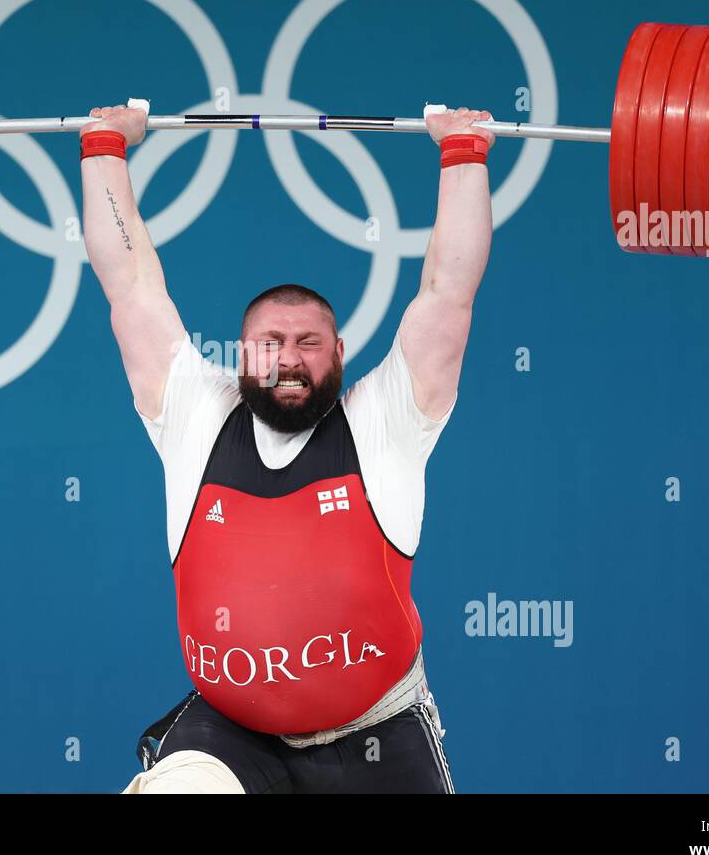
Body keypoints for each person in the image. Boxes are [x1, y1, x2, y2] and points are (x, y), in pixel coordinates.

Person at [77, 102, 495, 793]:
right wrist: (103, 147)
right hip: (232, 738)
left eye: (308, 344)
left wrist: (463, 154)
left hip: (376, 736)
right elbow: (130, 285)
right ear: (242, 353)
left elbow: (449, 294)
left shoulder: (385, 422)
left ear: (340, 353)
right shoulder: (196, 413)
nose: (289, 359)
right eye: (271, 343)